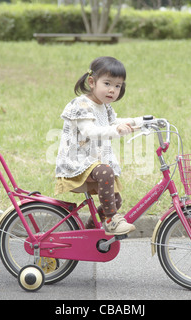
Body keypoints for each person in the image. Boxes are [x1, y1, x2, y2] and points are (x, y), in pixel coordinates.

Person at [55, 56, 143, 236]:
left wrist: (142, 121)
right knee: (106, 172)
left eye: (118, 86)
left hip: (94, 160)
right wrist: (116, 130)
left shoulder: (105, 106)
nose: (112, 90)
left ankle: (87, 233)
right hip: (78, 162)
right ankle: (110, 221)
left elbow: (115, 121)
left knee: (115, 200)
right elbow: (90, 131)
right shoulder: (80, 104)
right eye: (107, 83)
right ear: (92, 82)